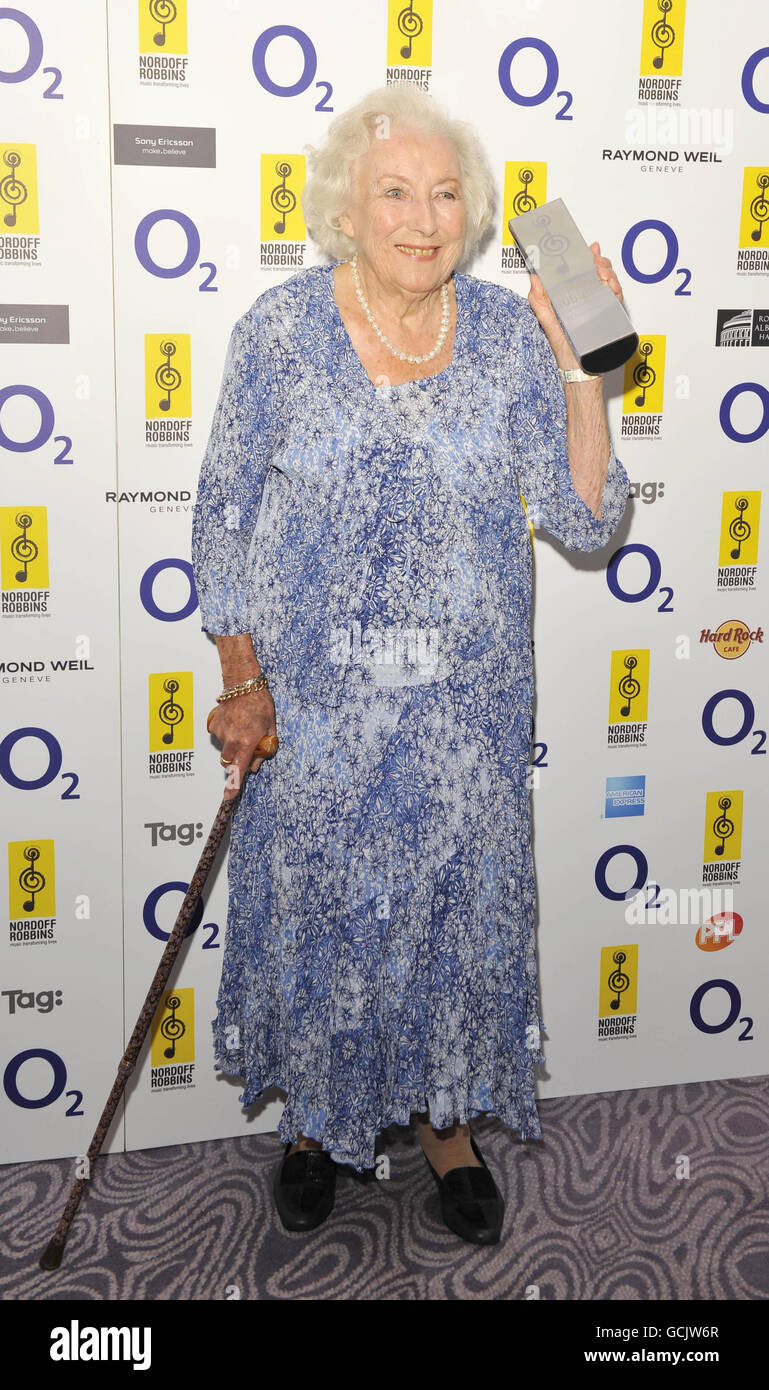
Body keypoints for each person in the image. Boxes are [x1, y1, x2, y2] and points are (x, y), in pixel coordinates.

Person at [191, 83, 630, 1246]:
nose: (423, 218)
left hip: (464, 716)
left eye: (445, 195)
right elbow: (223, 518)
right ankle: (314, 1129)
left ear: (474, 214)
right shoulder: (278, 333)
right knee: (325, 911)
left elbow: (588, 523)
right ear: (346, 205)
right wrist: (242, 672)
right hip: (319, 712)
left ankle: (444, 1128)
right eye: (395, 191)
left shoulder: (500, 339)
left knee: (447, 919)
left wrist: (582, 365)